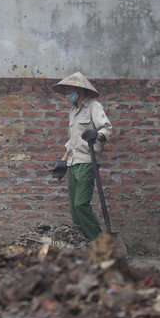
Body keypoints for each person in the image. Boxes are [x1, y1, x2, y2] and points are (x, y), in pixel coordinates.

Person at [51, 72, 112, 242]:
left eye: (69, 89)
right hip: (72, 163)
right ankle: (83, 243)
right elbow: (72, 140)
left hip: (87, 161)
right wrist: (63, 161)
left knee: (81, 204)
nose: (66, 94)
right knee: (73, 208)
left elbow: (106, 129)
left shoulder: (94, 106)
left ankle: (101, 244)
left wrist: (97, 135)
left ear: (79, 89)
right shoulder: (73, 111)